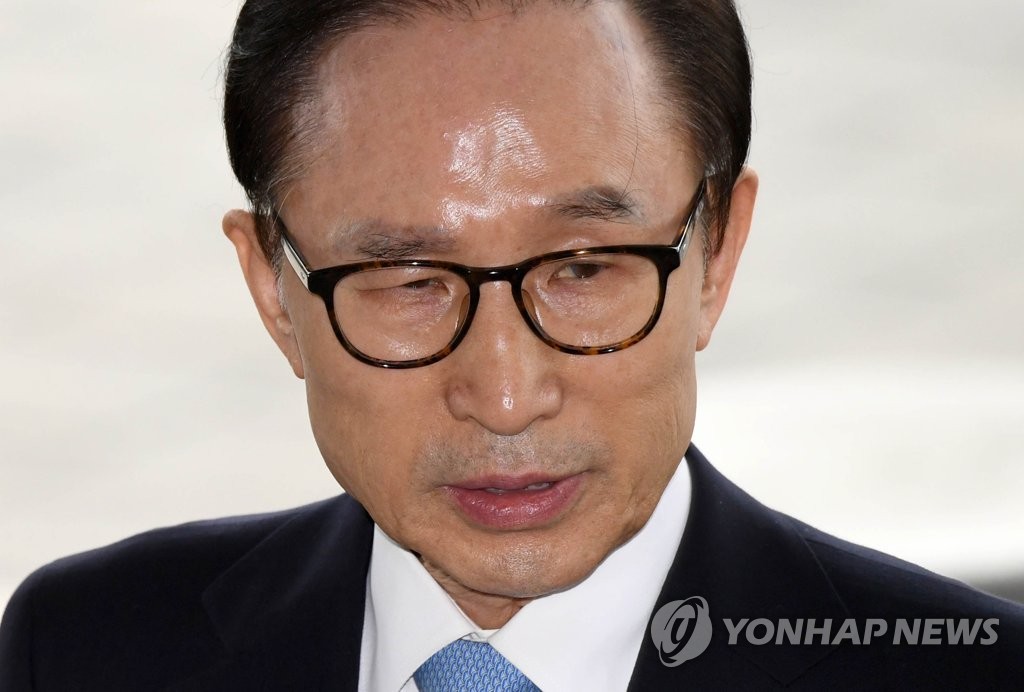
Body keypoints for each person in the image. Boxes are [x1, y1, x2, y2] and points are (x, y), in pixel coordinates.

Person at [1, 0, 1021, 689]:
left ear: (717, 252)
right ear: (273, 288)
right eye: (410, 280)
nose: (504, 393)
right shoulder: (87, 649)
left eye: (583, 268)